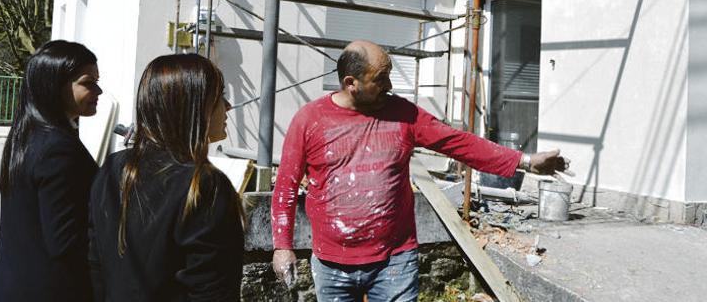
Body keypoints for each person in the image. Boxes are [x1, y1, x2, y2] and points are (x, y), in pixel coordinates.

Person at [271, 40, 568, 302]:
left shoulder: (404, 114)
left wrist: (525, 161)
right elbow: (285, 186)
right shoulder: (309, 120)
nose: (389, 86)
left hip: (394, 261)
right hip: (332, 263)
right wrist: (282, 247)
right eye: (381, 79)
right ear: (351, 83)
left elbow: (460, 143)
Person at [88, 54, 244, 301]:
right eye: (218, 97)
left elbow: (94, 268)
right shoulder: (204, 184)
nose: (228, 106)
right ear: (192, 106)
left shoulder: (114, 168)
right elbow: (212, 290)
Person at [0, 40, 102, 302]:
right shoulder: (58, 149)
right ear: (55, 85)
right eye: (87, 82)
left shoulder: (27, 136)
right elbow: (66, 242)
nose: (99, 90)